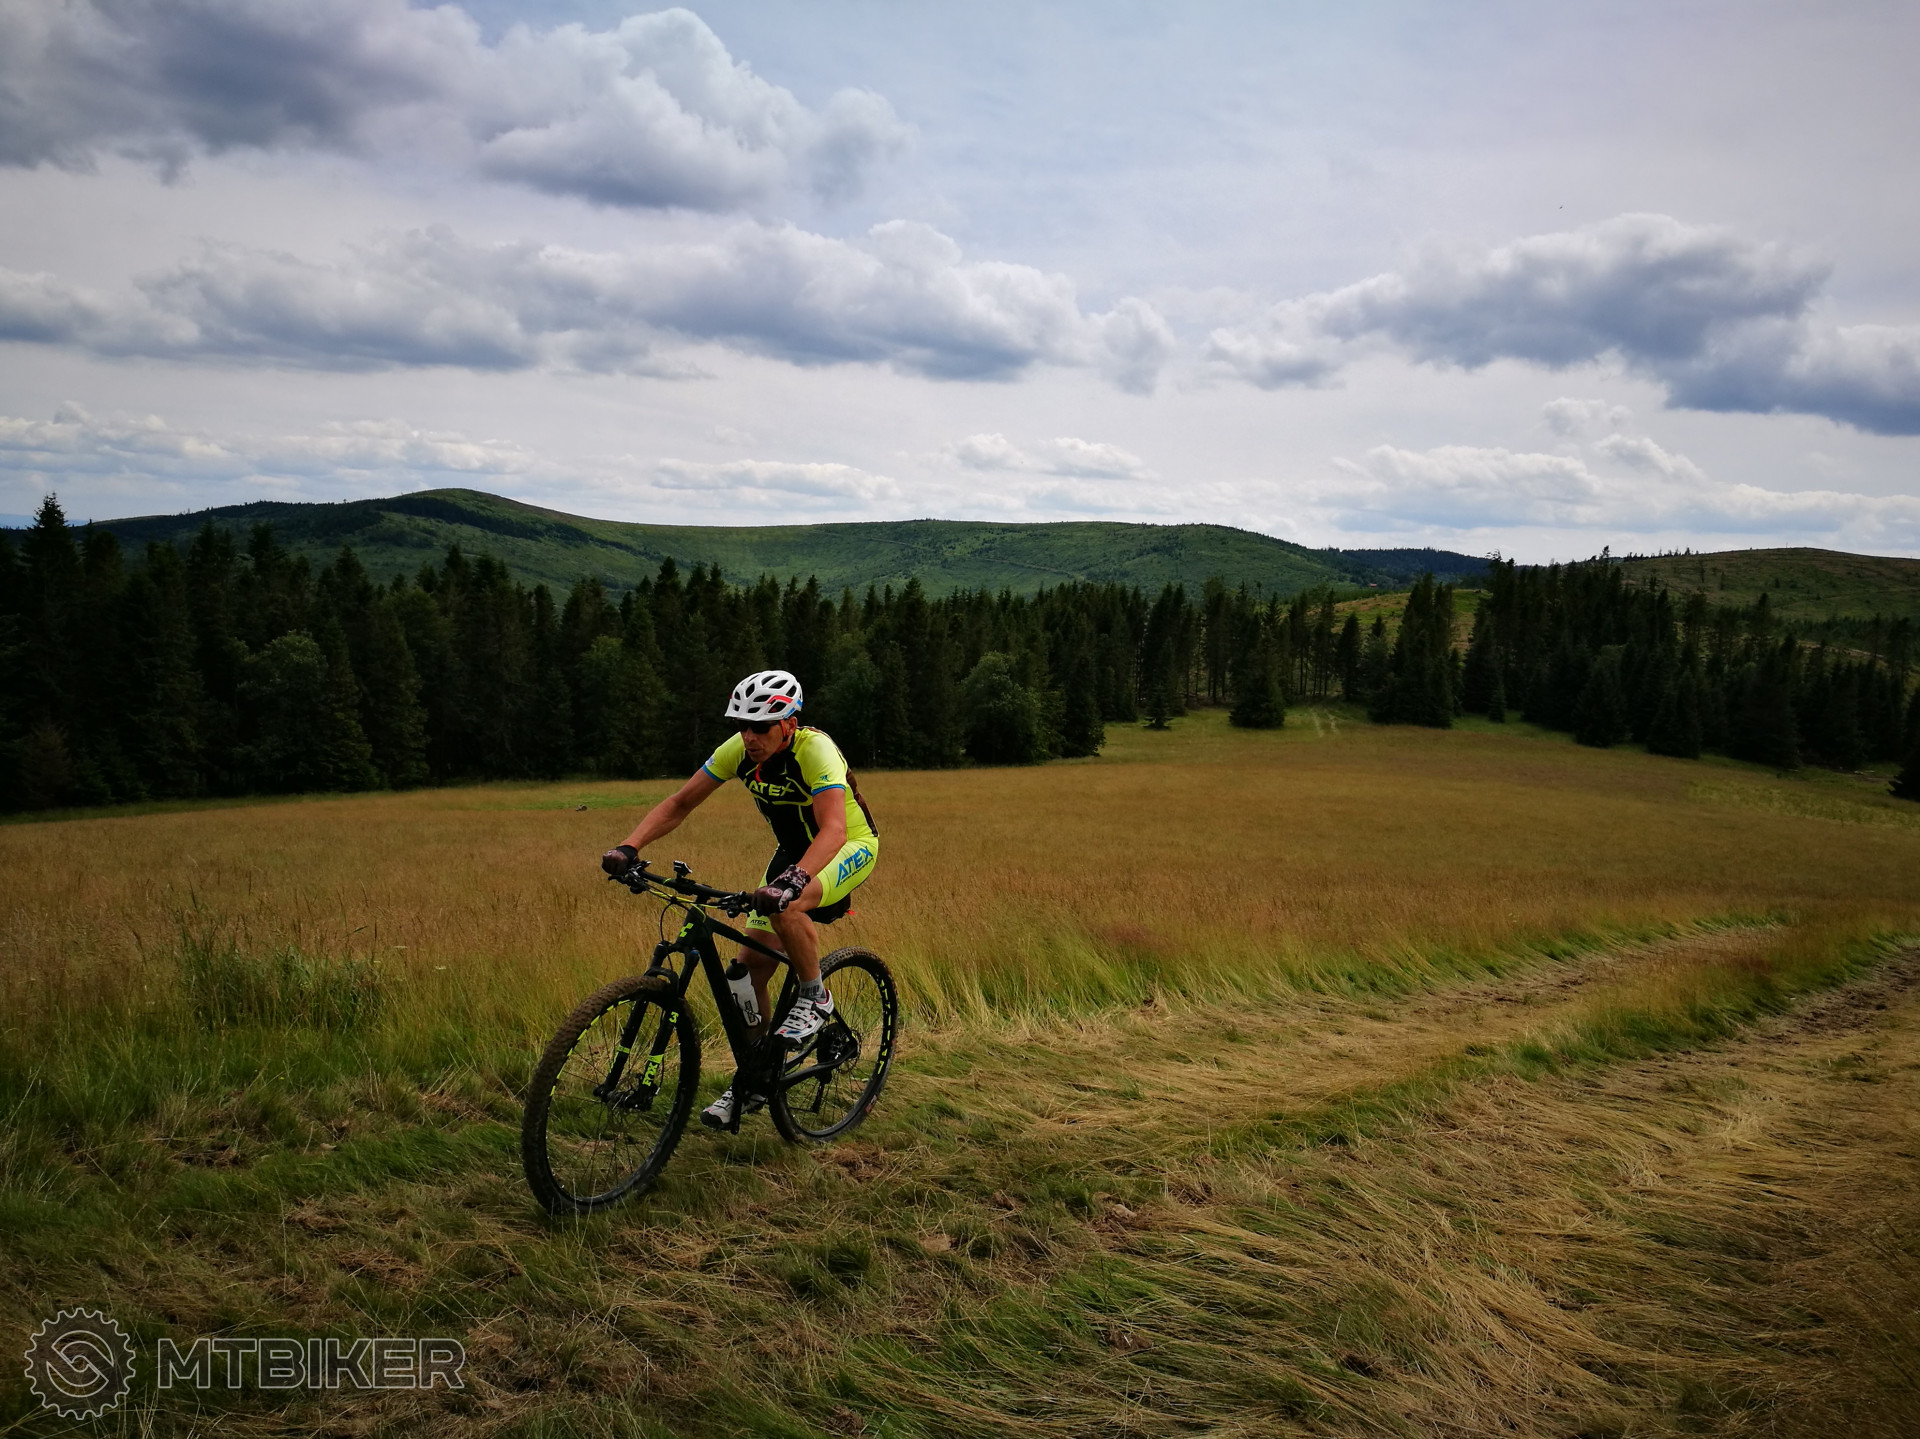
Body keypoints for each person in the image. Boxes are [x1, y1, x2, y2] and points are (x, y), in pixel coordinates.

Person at [601, 669, 879, 1129]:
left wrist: (793, 880)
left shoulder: (815, 750)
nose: (750, 737)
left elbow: (833, 829)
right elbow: (680, 803)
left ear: (789, 723)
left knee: (788, 905)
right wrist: (629, 847)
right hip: (793, 854)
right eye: (742, 726)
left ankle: (815, 996)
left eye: (761, 727)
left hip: (848, 845)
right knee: (744, 978)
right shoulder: (739, 751)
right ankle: (755, 1076)